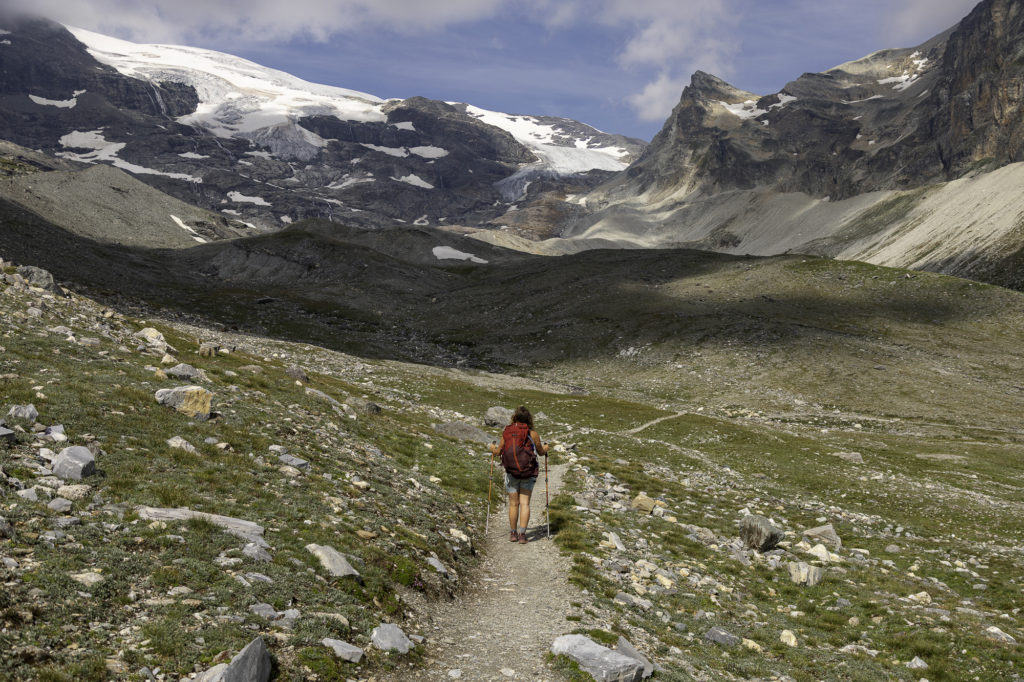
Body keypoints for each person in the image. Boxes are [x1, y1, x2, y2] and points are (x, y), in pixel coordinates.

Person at [489, 406, 549, 544]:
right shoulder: (532, 433)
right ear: (529, 419)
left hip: (512, 473)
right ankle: (522, 535)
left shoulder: (507, 432)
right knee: (525, 503)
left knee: (513, 504)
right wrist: (546, 447)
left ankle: (513, 534)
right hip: (529, 472)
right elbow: (540, 452)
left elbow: (498, 452)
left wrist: (492, 448)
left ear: (514, 417)